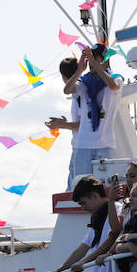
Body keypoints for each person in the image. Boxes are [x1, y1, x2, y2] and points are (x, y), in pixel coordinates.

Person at [50, 44, 122, 187]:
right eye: (89, 60)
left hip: (105, 144)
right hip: (83, 145)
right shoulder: (84, 82)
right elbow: (67, 89)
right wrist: (80, 70)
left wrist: (98, 67)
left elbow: (113, 86)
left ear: (106, 60)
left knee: (106, 187)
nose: (91, 63)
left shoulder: (116, 78)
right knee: (81, 187)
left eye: (95, 58)